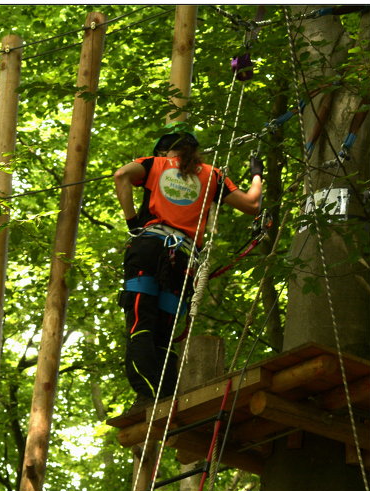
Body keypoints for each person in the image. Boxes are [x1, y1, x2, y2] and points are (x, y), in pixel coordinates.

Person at [113, 128, 263, 413]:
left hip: (148, 250)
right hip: (181, 261)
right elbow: (252, 204)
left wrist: (133, 222)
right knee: (165, 334)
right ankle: (165, 395)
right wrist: (257, 174)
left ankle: (148, 395)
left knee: (140, 324)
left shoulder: (154, 165)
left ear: (164, 152)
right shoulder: (212, 175)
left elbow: (122, 175)